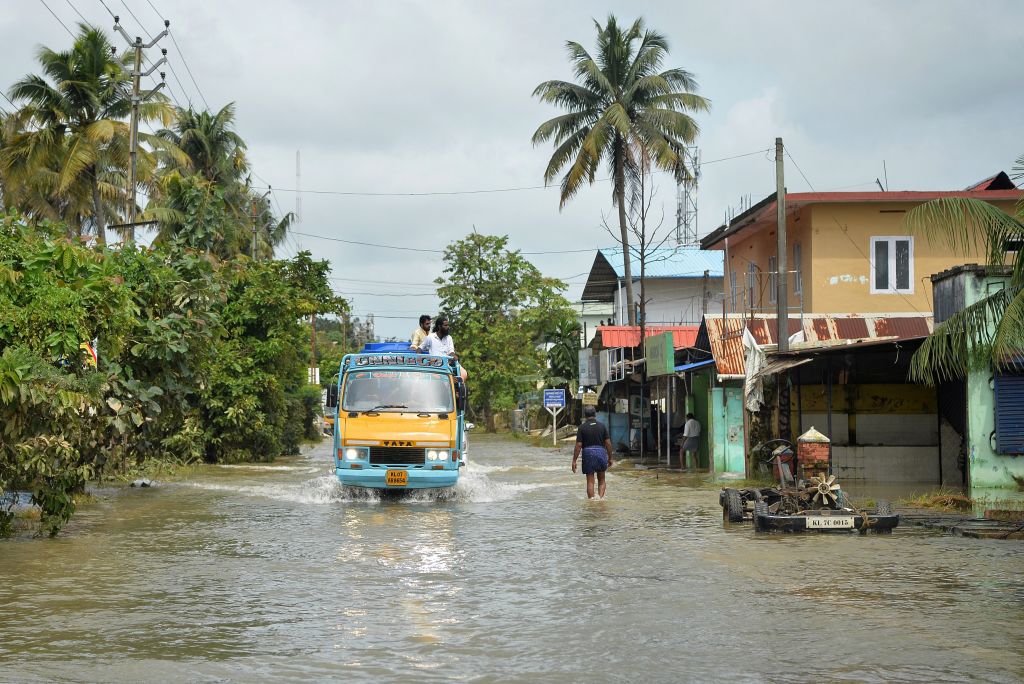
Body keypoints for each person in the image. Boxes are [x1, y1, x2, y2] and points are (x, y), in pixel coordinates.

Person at [572, 405, 614, 499]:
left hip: (587, 454)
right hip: (601, 453)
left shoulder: (582, 428)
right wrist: (610, 458)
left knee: (590, 481)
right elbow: (608, 443)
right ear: (595, 414)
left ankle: (592, 502)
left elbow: (579, 445)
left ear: (585, 415)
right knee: (602, 480)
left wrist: (574, 460)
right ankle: (600, 500)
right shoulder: (602, 426)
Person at [422, 315, 468, 380]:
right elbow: (420, 348)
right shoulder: (430, 337)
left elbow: (451, 351)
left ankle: (457, 388)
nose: (448, 327)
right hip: (435, 365)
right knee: (440, 378)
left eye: (448, 325)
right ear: (439, 326)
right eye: (445, 325)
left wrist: (453, 356)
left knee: (464, 373)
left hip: (447, 364)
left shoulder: (449, 338)